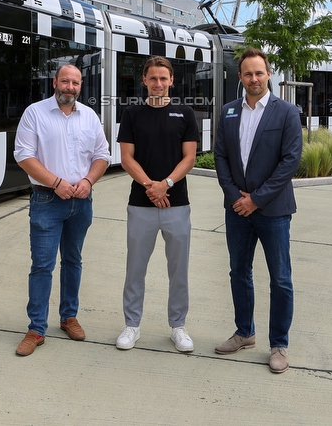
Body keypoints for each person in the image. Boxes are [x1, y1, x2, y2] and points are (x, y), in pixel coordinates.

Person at [213, 47, 303, 374]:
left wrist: (256, 199)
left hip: (273, 210)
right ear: (240, 77)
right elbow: (220, 157)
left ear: (268, 75)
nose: (254, 78)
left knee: (280, 279)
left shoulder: (287, 112)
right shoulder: (229, 112)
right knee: (239, 272)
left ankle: (279, 343)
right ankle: (244, 332)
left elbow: (289, 161)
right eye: (248, 73)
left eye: (259, 73)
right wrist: (236, 196)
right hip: (237, 209)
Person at [13, 63, 110, 356]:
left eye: (75, 83)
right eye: (65, 81)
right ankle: (36, 329)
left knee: (73, 260)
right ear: (55, 81)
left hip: (81, 201)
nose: (70, 87)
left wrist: (89, 180)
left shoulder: (89, 117)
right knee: (42, 265)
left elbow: (102, 155)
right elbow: (23, 155)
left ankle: (69, 317)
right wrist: (56, 183)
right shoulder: (35, 113)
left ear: (81, 86)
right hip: (47, 200)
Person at [115, 56, 199, 353]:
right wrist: (152, 187)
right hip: (141, 205)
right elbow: (127, 159)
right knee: (135, 268)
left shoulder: (185, 113)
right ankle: (132, 325)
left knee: (179, 270)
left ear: (171, 81)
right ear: (144, 81)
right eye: (153, 78)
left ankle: (178, 326)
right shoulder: (132, 114)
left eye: (164, 78)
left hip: (177, 204)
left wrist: (167, 184)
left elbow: (189, 158)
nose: (158, 84)